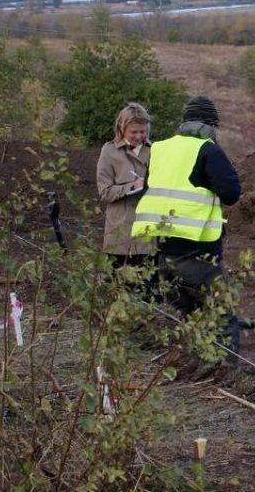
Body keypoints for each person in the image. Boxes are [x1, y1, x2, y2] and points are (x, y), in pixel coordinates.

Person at [132, 95, 242, 351]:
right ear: (211, 125)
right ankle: (224, 371)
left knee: (188, 316)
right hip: (200, 255)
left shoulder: (159, 148)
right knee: (222, 317)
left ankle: (189, 361)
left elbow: (151, 188)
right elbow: (231, 193)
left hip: (164, 254)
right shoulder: (207, 149)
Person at [96, 103, 153, 267]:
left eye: (142, 131)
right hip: (119, 237)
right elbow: (105, 192)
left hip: (149, 235)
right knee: (119, 288)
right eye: (133, 132)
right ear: (122, 129)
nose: (138, 136)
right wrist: (132, 186)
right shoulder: (109, 151)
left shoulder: (155, 150)